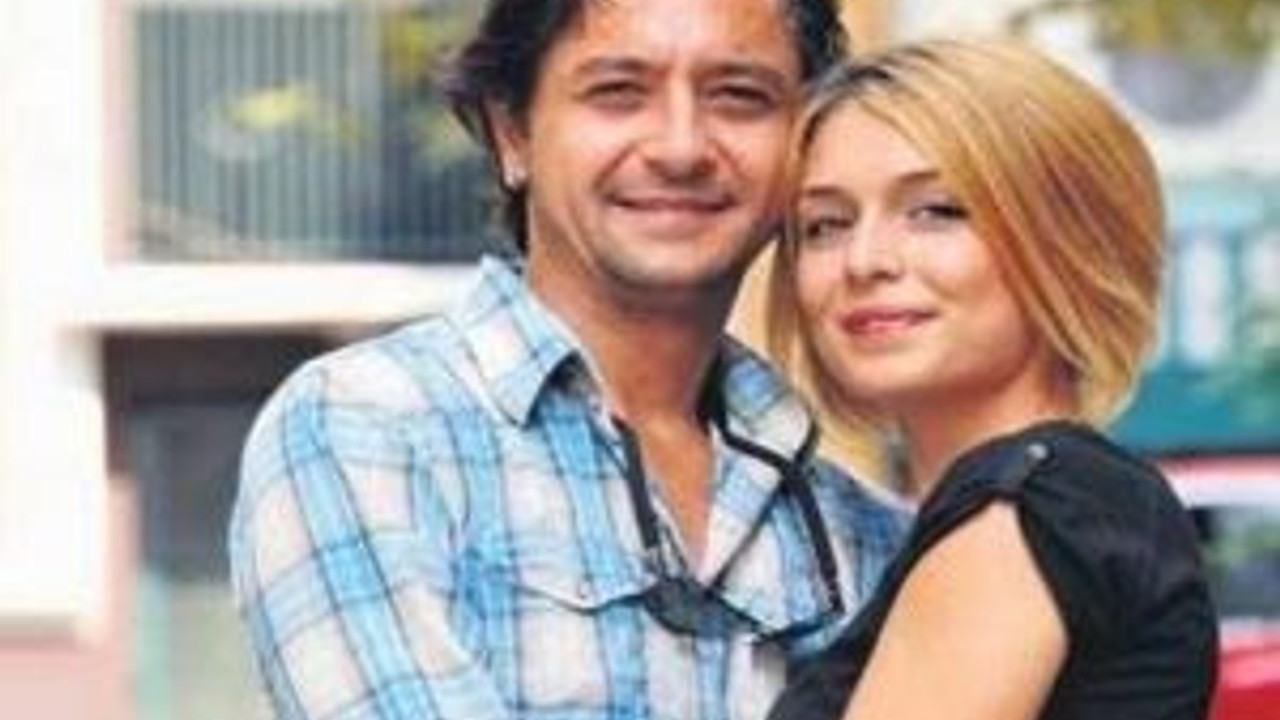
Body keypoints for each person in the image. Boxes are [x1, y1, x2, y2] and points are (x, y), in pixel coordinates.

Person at [227, 1, 907, 719]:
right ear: (512, 134)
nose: (681, 149)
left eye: (739, 97)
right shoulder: (368, 429)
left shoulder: (868, 535)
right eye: (619, 93)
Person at [763, 38, 1218, 720]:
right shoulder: (1074, 501)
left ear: (1067, 240)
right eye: (825, 225)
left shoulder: (1028, 505)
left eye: (935, 211)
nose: (864, 260)